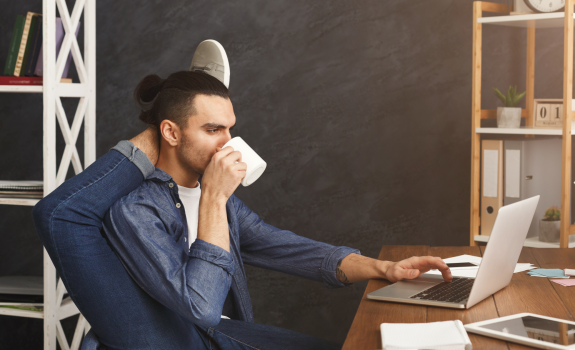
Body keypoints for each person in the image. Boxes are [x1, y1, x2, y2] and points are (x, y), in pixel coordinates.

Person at [33, 41, 452, 350]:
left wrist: (383, 267)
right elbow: (199, 304)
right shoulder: (138, 209)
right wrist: (213, 199)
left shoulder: (221, 202)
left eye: (230, 129)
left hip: (221, 336)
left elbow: (290, 248)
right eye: (213, 130)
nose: (228, 143)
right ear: (171, 133)